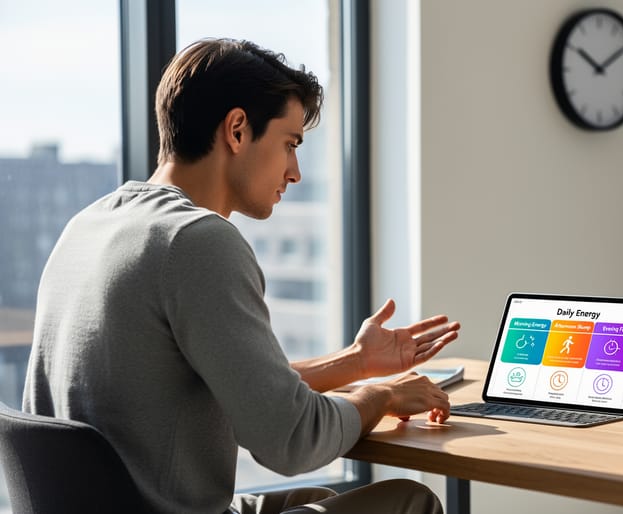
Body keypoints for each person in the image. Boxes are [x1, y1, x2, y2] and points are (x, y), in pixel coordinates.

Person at [22, 38, 460, 514]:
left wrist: (355, 362)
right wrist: (381, 395)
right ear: (236, 130)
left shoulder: (88, 226)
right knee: (408, 501)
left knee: (323, 501)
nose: (294, 172)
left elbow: (236, 387)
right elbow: (290, 439)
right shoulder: (197, 240)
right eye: (289, 144)